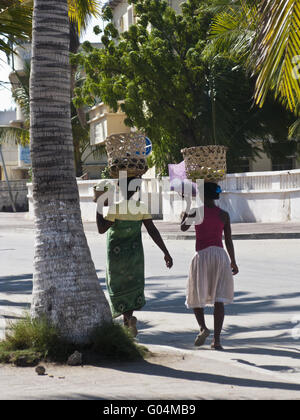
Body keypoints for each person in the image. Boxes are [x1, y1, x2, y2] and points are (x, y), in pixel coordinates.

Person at [96, 176, 173, 337]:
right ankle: (129, 320)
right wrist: (165, 252)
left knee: (118, 287)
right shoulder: (141, 207)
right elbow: (153, 231)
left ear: (119, 188)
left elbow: (102, 229)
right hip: (135, 255)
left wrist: (98, 206)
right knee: (131, 287)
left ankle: (128, 321)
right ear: (137, 190)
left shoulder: (115, 208)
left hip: (116, 257)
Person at [181, 182, 239, 350]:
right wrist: (233, 261)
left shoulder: (195, 212)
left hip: (202, 256)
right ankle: (217, 340)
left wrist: (185, 215)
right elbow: (228, 240)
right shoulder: (224, 215)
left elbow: (183, 228)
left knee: (196, 294)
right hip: (221, 257)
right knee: (218, 300)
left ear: (202, 195)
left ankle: (203, 327)